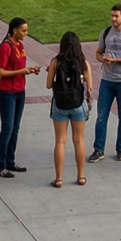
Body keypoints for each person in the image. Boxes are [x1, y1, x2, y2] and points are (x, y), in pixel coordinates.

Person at [88, 4, 121, 164]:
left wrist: (117, 60)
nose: (113, 19)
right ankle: (98, 149)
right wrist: (102, 58)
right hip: (107, 81)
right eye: (112, 15)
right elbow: (98, 52)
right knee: (101, 117)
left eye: (116, 16)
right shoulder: (105, 33)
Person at [0, 17, 39, 178]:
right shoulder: (6, 47)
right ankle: (0, 166)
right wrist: (21, 72)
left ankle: (10, 161)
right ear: (14, 30)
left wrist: (29, 69)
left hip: (20, 91)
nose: (26, 33)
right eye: (23, 30)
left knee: (15, 129)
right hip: (7, 93)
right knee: (7, 129)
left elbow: (18, 66)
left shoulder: (20, 45)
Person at [46, 31, 93, 188]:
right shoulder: (83, 62)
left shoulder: (55, 62)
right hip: (78, 103)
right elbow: (90, 85)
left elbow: (48, 85)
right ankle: (81, 176)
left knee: (60, 141)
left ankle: (58, 178)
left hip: (60, 104)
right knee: (79, 140)